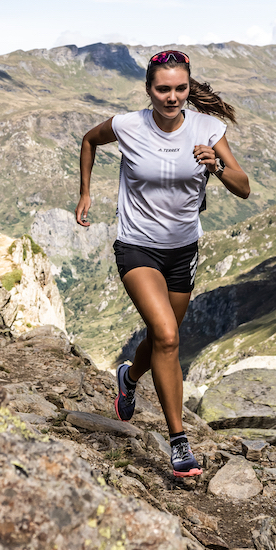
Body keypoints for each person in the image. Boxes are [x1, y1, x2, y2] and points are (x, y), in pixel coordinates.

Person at [74, 50, 250, 477]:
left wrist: (217, 165)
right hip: (137, 247)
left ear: (189, 88)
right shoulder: (127, 125)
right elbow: (89, 141)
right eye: (163, 89)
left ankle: (129, 377)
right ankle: (179, 442)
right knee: (169, 337)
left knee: (160, 339)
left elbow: (244, 187)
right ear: (148, 90)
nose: (172, 97)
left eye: (180, 89)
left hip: (182, 252)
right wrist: (85, 192)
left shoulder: (207, 128)